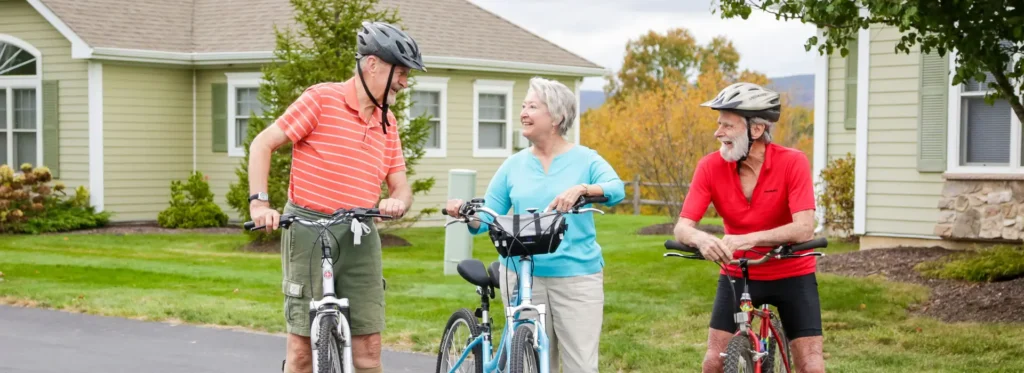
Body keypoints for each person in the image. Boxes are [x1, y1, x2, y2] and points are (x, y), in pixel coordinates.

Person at [246, 21, 425, 373]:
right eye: (401, 72)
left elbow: (401, 188)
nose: (405, 83)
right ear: (373, 64)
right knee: (301, 353)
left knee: (369, 352)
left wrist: (397, 202)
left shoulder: (388, 123)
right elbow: (262, 144)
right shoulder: (321, 99)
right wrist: (260, 204)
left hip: (360, 234)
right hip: (308, 228)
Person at [445, 77, 625, 373]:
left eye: (532, 106)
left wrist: (582, 189)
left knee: (581, 365)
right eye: (523, 106)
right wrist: (465, 213)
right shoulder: (513, 165)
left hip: (577, 277)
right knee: (530, 364)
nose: (523, 113)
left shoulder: (585, 160)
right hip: (521, 275)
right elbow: (487, 218)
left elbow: (616, 189)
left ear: (556, 117)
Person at [671, 82, 823, 373]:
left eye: (727, 125)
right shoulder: (710, 166)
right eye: (719, 124)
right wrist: (701, 239)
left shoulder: (793, 162)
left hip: (792, 272)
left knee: (811, 365)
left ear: (756, 130)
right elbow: (682, 227)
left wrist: (748, 239)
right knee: (713, 362)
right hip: (737, 273)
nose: (718, 133)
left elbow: (804, 228)